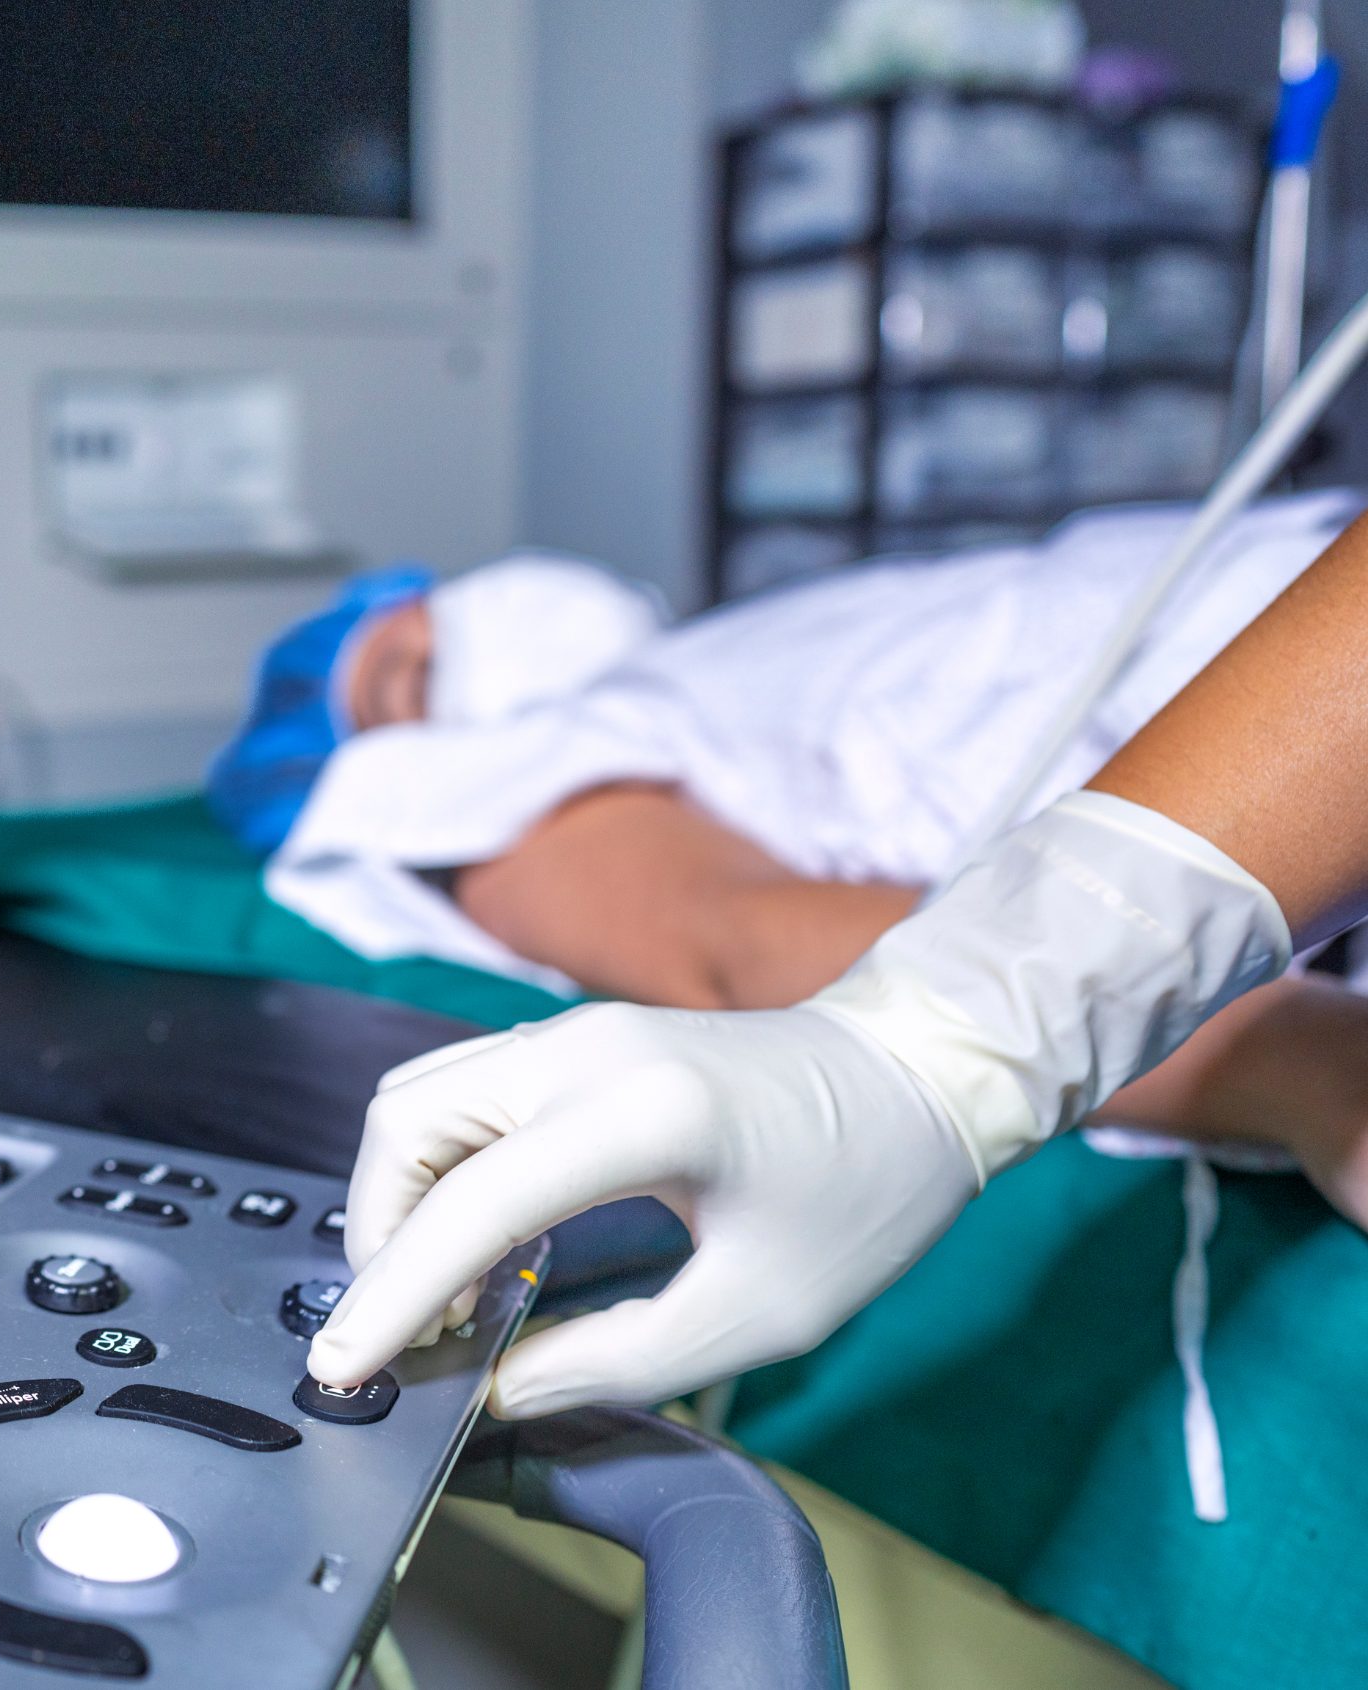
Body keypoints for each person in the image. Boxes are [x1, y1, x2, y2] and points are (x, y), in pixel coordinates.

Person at [298, 503, 1368, 1420]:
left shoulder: (727, 646)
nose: (468, 638)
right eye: (406, 679)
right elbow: (729, 935)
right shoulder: (452, 777)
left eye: (427, 618)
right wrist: (1310, 1070)